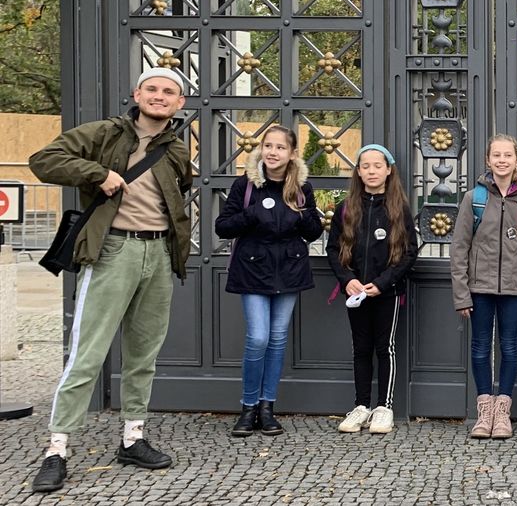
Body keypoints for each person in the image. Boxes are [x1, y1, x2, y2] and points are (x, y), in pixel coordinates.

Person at [27, 68, 193, 494]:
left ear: (179, 104)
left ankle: (132, 438)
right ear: (136, 93)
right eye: (152, 89)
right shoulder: (104, 133)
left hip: (157, 254)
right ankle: (57, 448)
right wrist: (97, 174)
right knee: (88, 352)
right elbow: (44, 160)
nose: (159, 96)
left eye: (168, 92)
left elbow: (181, 191)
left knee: (144, 354)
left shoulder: (175, 147)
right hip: (112, 251)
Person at [215, 124, 324, 438]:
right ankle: (248, 407)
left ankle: (267, 407)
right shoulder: (245, 185)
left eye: (280, 147)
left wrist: (300, 214)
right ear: (261, 149)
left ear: (291, 153)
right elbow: (223, 227)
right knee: (259, 337)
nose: (273, 152)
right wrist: (251, 215)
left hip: (288, 270)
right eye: (268, 146)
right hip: (253, 270)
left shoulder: (303, 187)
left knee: (277, 339)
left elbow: (314, 231)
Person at [325, 145, 419, 435]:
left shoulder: (398, 209)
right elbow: (333, 248)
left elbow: (409, 252)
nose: (371, 171)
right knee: (360, 349)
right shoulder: (346, 208)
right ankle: (361, 406)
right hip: (355, 293)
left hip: (386, 293)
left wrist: (383, 282)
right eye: (365, 166)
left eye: (377, 166)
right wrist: (346, 279)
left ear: (389, 170)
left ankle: (384, 407)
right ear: (358, 171)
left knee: (385, 347)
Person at [451, 134, 517, 440]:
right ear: (488, 160)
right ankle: (484, 409)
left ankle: (503, 412)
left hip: (514, 289)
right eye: (496, 156)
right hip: (479, 287)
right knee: (479, 347)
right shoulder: (473, 198)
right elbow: (460, 248)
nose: (502, 161)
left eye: (508, 156)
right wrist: (461, 294)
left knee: (510, 347)